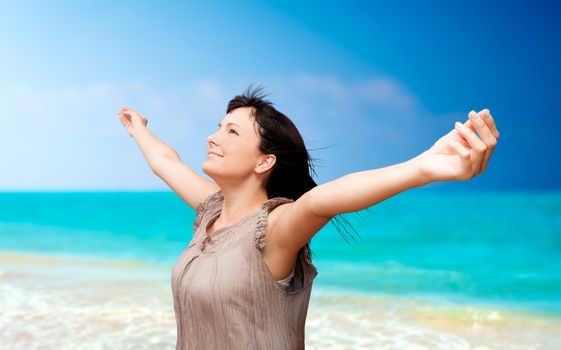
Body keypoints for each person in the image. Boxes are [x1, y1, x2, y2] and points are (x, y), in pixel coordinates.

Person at [118, 85, 500, 349]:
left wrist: (423, 167)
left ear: (264, 161)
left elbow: (323, 200)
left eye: (231, 132)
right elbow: (165, 163)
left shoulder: (275, 229)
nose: (213, 137)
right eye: (219, 127)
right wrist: (139, 130)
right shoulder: (210, 214)